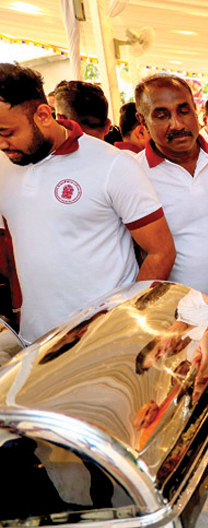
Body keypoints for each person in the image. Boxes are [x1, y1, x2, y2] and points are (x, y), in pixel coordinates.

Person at [0, 63, 175, 341]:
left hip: (103, 342)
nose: (2, 143)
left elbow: (161, 251)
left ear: (44, 114)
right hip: (35, 339)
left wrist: (126, 320)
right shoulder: (3, 165)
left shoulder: (113, 164)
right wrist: (20, 310)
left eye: (7, 132)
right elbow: (13, 240)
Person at [135, 74, 208, 300]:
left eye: (183, 111)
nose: (177, 124)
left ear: (196, 110)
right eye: (162, 116)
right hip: (180, 314)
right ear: (143, 122)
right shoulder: (134, 174)